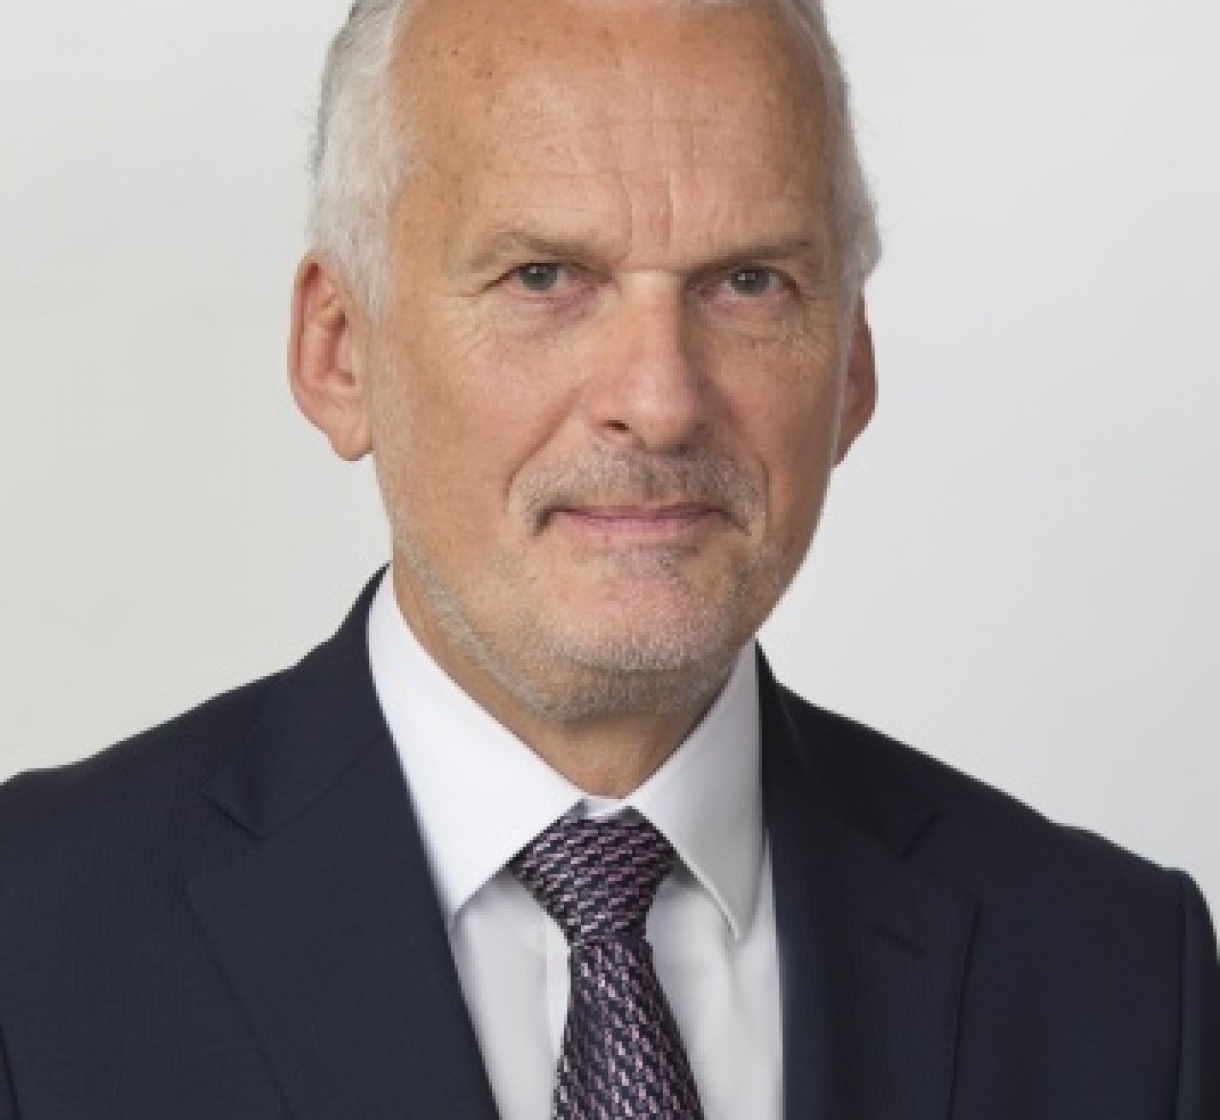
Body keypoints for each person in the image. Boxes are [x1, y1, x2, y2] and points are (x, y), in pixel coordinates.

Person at [0, 0, 1215, 1115]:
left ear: (850, 366)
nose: (659, 400)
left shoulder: (1118, 977)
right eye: (543, 276)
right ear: (339, 352)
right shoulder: (33, 939)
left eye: (749, 282)